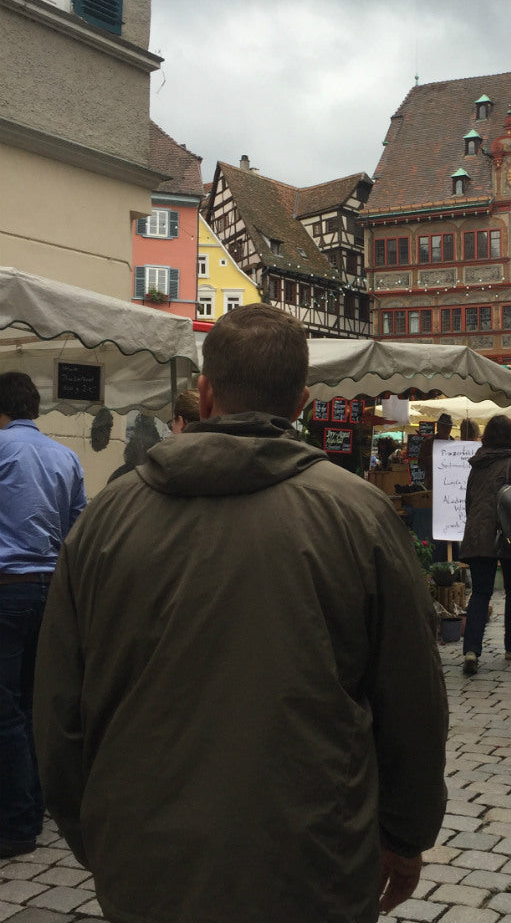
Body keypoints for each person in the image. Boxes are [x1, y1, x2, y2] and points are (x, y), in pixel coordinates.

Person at [33, 305, 448, 922]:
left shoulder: (107, 518)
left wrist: (93, 832)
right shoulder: (358, 515)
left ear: (204, 394)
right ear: (303, 400)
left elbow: (59, 704)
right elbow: (412, 697)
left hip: (147, 853)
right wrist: (405, 834)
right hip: (313, 861)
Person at [0, 372, 86, 860]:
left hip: (6, 589)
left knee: (5, 709)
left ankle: (17, 822)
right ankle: (36, 802)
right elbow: (79, 528)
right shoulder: (66, 456)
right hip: (49, 592)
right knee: (32, 705)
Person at [460, 414, 511, 674]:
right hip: (508, 534)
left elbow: (469, 500)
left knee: (480, 592)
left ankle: (471, 650)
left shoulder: (478, 462)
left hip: (478, 531)